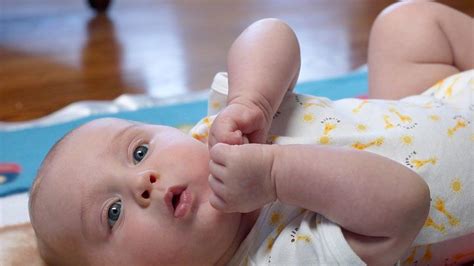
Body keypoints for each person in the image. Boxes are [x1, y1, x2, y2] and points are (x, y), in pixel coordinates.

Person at [28, 1, 473, 265]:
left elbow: (272, 33)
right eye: (111, 213)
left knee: (405, 22)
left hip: (419, 107)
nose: (141, 182)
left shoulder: (220, 133)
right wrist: (274, 176)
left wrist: (251, 100)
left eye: (140, 151)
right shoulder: (274, 256)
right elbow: (406, 201)